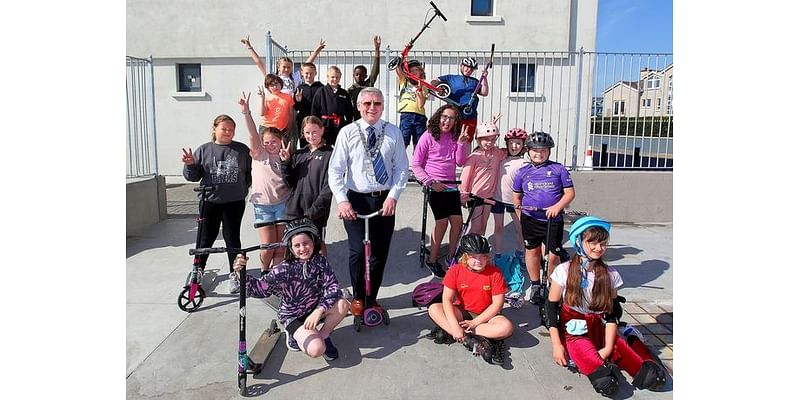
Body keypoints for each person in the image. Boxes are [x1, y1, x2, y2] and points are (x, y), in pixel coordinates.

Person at [545, 216, 667, 396]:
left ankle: (628, 336)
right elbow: (551, 309)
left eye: (603, 243)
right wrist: (556, 344)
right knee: (606, 383)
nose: (598, 248)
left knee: (653, 378)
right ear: (578, 242)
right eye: (592, 242)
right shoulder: (563, 270)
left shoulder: (611, 275)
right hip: (573, 331)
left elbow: (612, 313)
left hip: (601, 328)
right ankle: (607, 349)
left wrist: (609, 348)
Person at [328, 87, 409, 320]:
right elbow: (335, 170)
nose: (372, 108)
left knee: (379, 253)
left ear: (383, 106)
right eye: (367, 103)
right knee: (356, 252)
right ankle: (357, 297)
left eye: (377, 103)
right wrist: (342, 201)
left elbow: (401, 169)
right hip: (356, 200)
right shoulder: (347, 132)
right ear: (358, 106)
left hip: (385, 200)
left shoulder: (393, 132)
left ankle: (372, 297)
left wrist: (393, 196)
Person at [233, 219, 350, 360]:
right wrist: (241, 273)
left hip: (315, 309)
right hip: (293, 316)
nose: (302, 248)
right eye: (297, 245)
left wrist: (319, 310)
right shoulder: (284, 269)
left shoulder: (320, 260)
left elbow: (332, 286)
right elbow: (260, 289)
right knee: (317, 349)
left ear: (313, 241)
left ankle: (324, 335)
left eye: (306, 243)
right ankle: (295, 334)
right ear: (290, 247)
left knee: (343, 304)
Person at [181, 112, 252, 294]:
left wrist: (244, 188)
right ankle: (198, 271)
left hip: (234, 202)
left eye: (231, 130)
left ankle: (235, 274)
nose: (227, 132)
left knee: (232, 238)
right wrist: (190, 164)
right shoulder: (204, 150)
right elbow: (193, 176)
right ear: (215, 129)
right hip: (210, 202)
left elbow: (249, 174)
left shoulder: (242, 150)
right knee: (206, 238)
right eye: (224, 129)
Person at [425, 233, 513, 365]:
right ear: (465, 257)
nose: (479, 260)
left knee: (506, 327)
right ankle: (469, 339)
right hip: (463, 311)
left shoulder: (495, 273)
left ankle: (460, 334)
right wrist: (455, 326)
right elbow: (447, 299)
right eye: (473, 256)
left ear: (487, 257)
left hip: (487, 316)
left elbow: (497, 304)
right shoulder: (455, 270)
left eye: (483, 256)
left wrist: (475, 323)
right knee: (433, 309)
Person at [511, 131, 576, 305]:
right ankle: (535, 285)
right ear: (528, 151)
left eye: (543, 150)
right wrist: (521, 215)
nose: (539, 153)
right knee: (532, 252)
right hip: (530, 219)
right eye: (535, 150)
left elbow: (569, 193)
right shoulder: (522, 172)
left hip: (552, 220)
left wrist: (557, 207)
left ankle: (550, 283)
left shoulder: (558, 169)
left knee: (552, 256)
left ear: (549, 151)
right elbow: (516, 198)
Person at [411, 104, 470, 277]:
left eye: (451, 118)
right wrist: (430, 182)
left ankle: (451, 258)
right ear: (439, 117)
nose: (447, 121)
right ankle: (432, 259)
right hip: (435, 186)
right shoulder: (428, 136)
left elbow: (460, 161)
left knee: (458, 223)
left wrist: (462, 143)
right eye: (445, 117)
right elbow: (416, 164)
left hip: (451, 186)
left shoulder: (454, 137)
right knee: (442, 222)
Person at [242, 36, 326, 148]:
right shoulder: (274, 79)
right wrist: (249, 47)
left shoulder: (294, 78)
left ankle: (289, 158)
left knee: (290, 139)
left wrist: (317, 50)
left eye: (289, 67)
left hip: (290, 109)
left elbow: (307, 63)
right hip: (275, 112)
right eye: (284, 67)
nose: (286, 69)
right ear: (278, 67)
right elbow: (259, 63)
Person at [239, 92, 290, 274]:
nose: (270, 145)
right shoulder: (260, 155)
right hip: (263, 206)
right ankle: (263, 272)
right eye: (266, 142)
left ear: (281, 141)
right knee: (268, 246)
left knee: (280, 247)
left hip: (282, 204)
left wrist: (287, 160)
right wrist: (247, 112)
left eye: (273, 142)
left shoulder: (285, 156)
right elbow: (253, 134)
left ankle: (275, 277)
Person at [280, 116, 334, 256]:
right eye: (307, 133)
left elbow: (328, 187)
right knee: (296, 247)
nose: (311, 136)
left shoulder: (330, 154)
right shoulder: (299, 154)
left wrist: (314, 211)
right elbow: (289, 182)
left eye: (314, 132)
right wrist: (285, 162)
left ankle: (322, 274)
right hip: (295, 210)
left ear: (322, 130)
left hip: (315, 212)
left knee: (317, 246)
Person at [458, 119, 507, 236]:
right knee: (475, 227)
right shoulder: (474, 156)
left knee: (483, 227)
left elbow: (509, 152)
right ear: (478, 140)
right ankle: (467, 249)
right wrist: (463, 195)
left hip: (489, 195)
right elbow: (466, 176)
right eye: (485, 139)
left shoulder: (497, 153)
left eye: (492, 139)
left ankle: (477, 251)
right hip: (475, 196)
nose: (489, 142)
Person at [431, 57, 489, 142]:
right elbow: (434, 82)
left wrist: (484, 78)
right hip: (453, 116)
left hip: (469, 117)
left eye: (471, 69)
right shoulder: (451, 78)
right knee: (450, 139)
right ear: (461, 66)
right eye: (466, 67)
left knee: (467, 140)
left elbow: (484, 92)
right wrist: (440, 88)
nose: (468, 70)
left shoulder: (475, 82)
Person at [491, 128, 528, 260]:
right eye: (511, 143)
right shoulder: (501, 158)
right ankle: (498, 254)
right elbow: (491, 147)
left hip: (515, 201)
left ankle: (520, 253)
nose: (514, 146)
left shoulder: (525, 163)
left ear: (524, 145)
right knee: (498, 228)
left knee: (521, 230)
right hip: (498, 198)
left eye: (518, 143)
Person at [312, 65, 354, 146]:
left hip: (339, 125)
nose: (334, 79)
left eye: (337, 77)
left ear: (340, 78)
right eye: (332, 77)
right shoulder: (321, 91)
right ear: (327, 77)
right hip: (325, 125)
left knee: (340, 146)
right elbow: (314, 110)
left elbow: (349, 111)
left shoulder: (344, 93)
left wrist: (347, 124)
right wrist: (317, 125)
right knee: (324, 147)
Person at [347, 35, 382, 121]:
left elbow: (375, 70)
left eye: (361, 75)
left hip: (368, 114)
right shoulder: (351, 90)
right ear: (353, 75)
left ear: (365, 76)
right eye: (357, 74)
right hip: (355, 116)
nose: (359, 77)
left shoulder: (368, 84)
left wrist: (377, 50)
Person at [396, 59, 428, 150]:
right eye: (411, 71)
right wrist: (400, 61)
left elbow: (421, 104)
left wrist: (420, 90)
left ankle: (417, 163)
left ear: (420, 72)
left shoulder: (424, 86)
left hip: (420, 116)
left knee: (419, 143)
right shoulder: (404, 82)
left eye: (416, 70)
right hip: (407, 114)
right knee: (403, 141)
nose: (414, 72)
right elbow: (399, 71)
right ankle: (399, 162)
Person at [293, 63, 325, 148]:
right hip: (303, 120)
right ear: (302, 73)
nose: (309, 75)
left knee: (318, 142)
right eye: (306, 73)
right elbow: (296, 107)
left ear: (315, 73)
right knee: (304, 143)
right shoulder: (299, 88)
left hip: (318, 120)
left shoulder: (321, 88)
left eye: (311, 73)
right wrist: (298, 101)